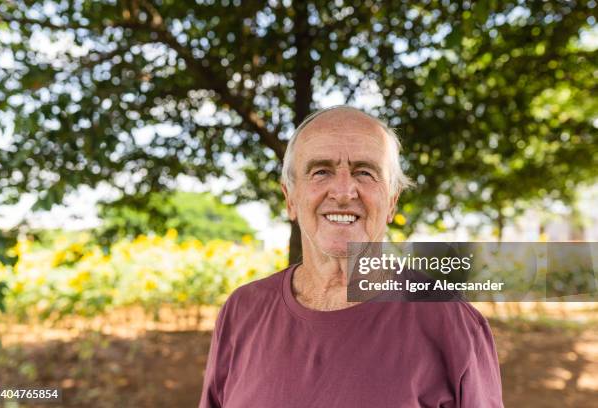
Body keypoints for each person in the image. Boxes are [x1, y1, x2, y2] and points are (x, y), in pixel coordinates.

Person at [199, 106, 504, 408]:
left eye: (365, 172)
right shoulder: (241, 312)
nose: (344, 192)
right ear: (290, 199)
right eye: (321, 172)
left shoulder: (451, 322)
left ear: (392, 203)